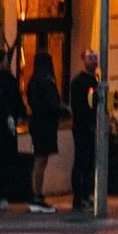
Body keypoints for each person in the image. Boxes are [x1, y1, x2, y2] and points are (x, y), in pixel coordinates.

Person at [0, 49, 24, 212]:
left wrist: (16, 116)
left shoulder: (7, 79)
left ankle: (0, 194)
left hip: (3, 130)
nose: (7, 63)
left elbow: (15, 101)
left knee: (3, 163)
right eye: (5, 60)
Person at [26, 50, 64, 214]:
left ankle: (36, 194)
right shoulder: (46, 81)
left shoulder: (33, 81)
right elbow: (52, 103)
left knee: (39, 159)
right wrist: (65, 111)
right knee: (41, 159)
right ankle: (37, 195)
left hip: (37, 122)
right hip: (45, 124)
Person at [69, 50, 99, 214]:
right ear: (83, 61)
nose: (94, 61)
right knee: (82, 161)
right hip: (82, 126)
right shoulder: (79, 82)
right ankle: (79, 198)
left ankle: (86, 195)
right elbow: (79, 106)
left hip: (92, 126)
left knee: (89, 163)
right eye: (90, 58)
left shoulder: (95, 80)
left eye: (95, 58)